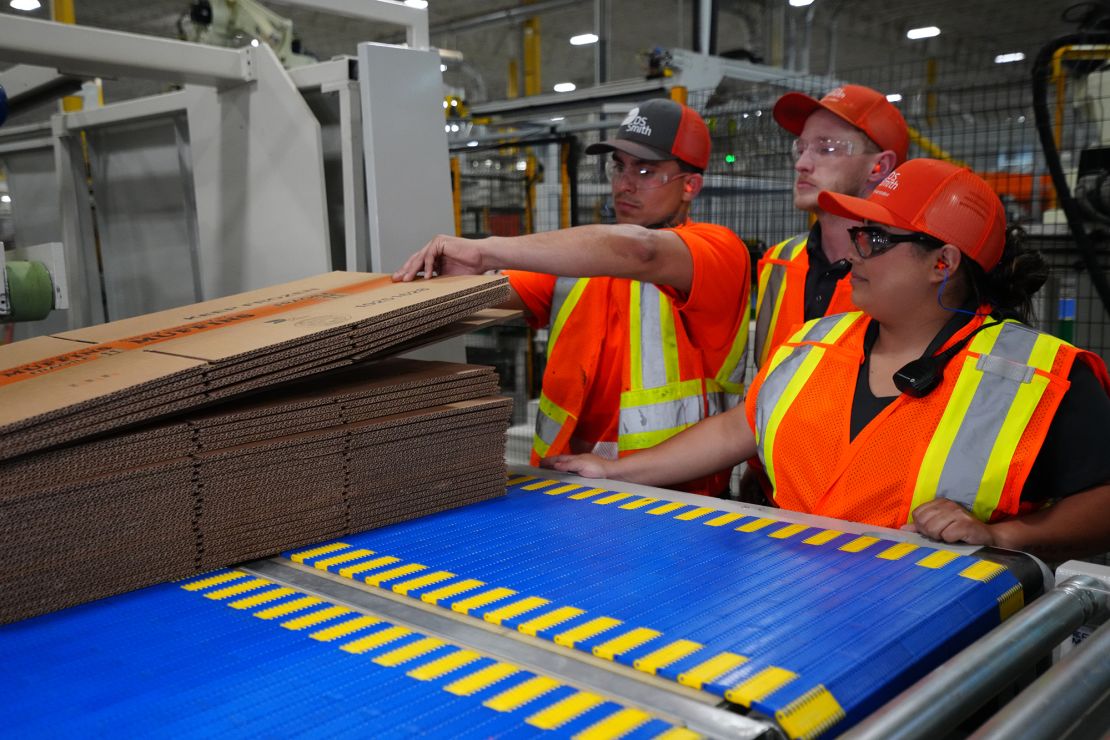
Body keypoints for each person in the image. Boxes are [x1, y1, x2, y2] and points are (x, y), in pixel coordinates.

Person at [545, 158, 1110, 563]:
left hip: (938, 646)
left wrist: (1005, 539)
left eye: (874, 239)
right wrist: (612, 471)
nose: (850, 251)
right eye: (855, 233)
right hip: (794, 611)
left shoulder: (1039, 376)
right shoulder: (816, 344)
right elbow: (738, 428)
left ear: (943, 262)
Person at [394, 98, 751, 497]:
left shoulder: (718, 252)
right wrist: (439, 284)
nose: (624, 184)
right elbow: (489, 295)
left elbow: (643, 251)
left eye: (646, 171)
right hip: (568, 489)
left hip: (680, 501)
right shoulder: (580, 265)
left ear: (690, 185)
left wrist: (486, 249)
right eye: (619, 166)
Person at [753, 84, 908, 369]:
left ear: (880, 167)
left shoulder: (908, 275)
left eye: (826, 148)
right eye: (800, 148)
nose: (802, 163)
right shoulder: (779, 260)